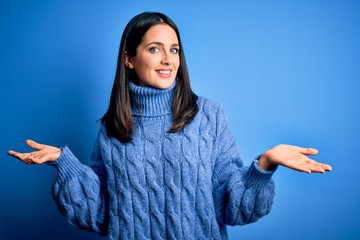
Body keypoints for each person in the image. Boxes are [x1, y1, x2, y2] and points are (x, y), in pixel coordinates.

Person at [7, 12, 332, 240]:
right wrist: (65, 164)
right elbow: (101, 215)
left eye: (174, 49)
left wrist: (265, 164)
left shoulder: (208, 117)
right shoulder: (113, 127)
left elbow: (234, 209)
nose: (168, 59)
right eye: (154, 49)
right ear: (129, 59)